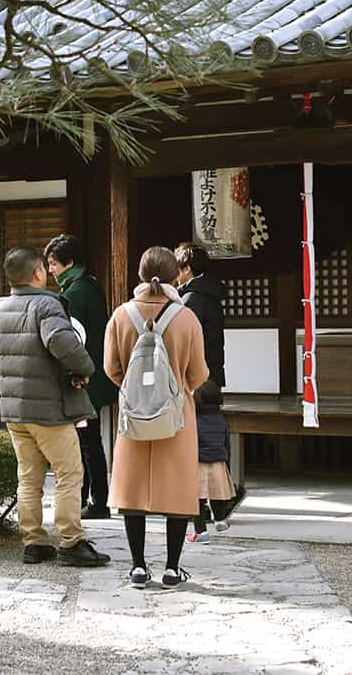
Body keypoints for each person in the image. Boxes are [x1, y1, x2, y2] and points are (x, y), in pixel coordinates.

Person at [0, 246, 110, 568]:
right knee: (69, 473)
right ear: (38, 273)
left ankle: (33, 542)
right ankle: (71, 541)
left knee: (29, 477)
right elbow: (63, 344)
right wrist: (86, 368)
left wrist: (3, 362)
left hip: (14, 410)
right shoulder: (46, 305)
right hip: (50, 409)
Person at [105, 246, 209, 590]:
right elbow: (199, 373)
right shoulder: (186, 317)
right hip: (176, 413)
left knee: (132, 491)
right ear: (175, 275)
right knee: (177, 491)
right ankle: (171, 568)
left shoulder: (121, 315)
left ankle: (137, 566)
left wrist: (135, 391)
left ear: (140, 274)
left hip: (134, 413)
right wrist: (176, 390)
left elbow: (110, 368)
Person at [44, 233, 117, 520]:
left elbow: (72, 343)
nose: (50, 270)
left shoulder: (74, 294)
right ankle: (90, 499)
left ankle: (97, 501)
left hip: (83, 381)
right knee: (87, 440)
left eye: (53, 264)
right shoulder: (90, 285)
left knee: (86, 442)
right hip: (95, 377)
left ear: (69, 262)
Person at [186, 380, 236, 544]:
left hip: (198, 463)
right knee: (217, 495)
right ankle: (220, 520)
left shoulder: (193, 420)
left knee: (198, 500)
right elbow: (226, 444)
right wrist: (226, 462)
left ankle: (200, 533)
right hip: (218, 463)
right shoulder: (220, 419)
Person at [174, 242, 227, 388]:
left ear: (187, 269)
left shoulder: (191, 299)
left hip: (196, 378)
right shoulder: (211, 293)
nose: (176, 277)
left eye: (177, 270)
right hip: (213, 375)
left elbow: (182, 342)